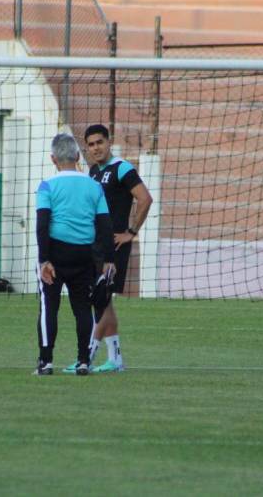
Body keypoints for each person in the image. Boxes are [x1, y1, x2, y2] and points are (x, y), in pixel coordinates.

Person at [71, 124, 153, 373]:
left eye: (100, 142)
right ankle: (115, 359)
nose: (96, 147)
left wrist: (131, 233)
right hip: (96, 246)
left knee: (100, 298)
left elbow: (145, 198)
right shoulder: (94, 171)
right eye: (91, 144)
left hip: (114, 246)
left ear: (109, 142)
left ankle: (87, 356)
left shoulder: (123, 168)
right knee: (105, 303)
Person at [34, 133, 116, 376]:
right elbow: (105, 225)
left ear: (53, 159)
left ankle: (45, 362)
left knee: (49, 306)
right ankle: (83, 361)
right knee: (82, 308)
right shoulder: (94, 186)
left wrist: (44, 260)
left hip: (56, 253)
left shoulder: (47, 186)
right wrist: (108, 260)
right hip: (84, 255)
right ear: (78, 156)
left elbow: (42, 224)